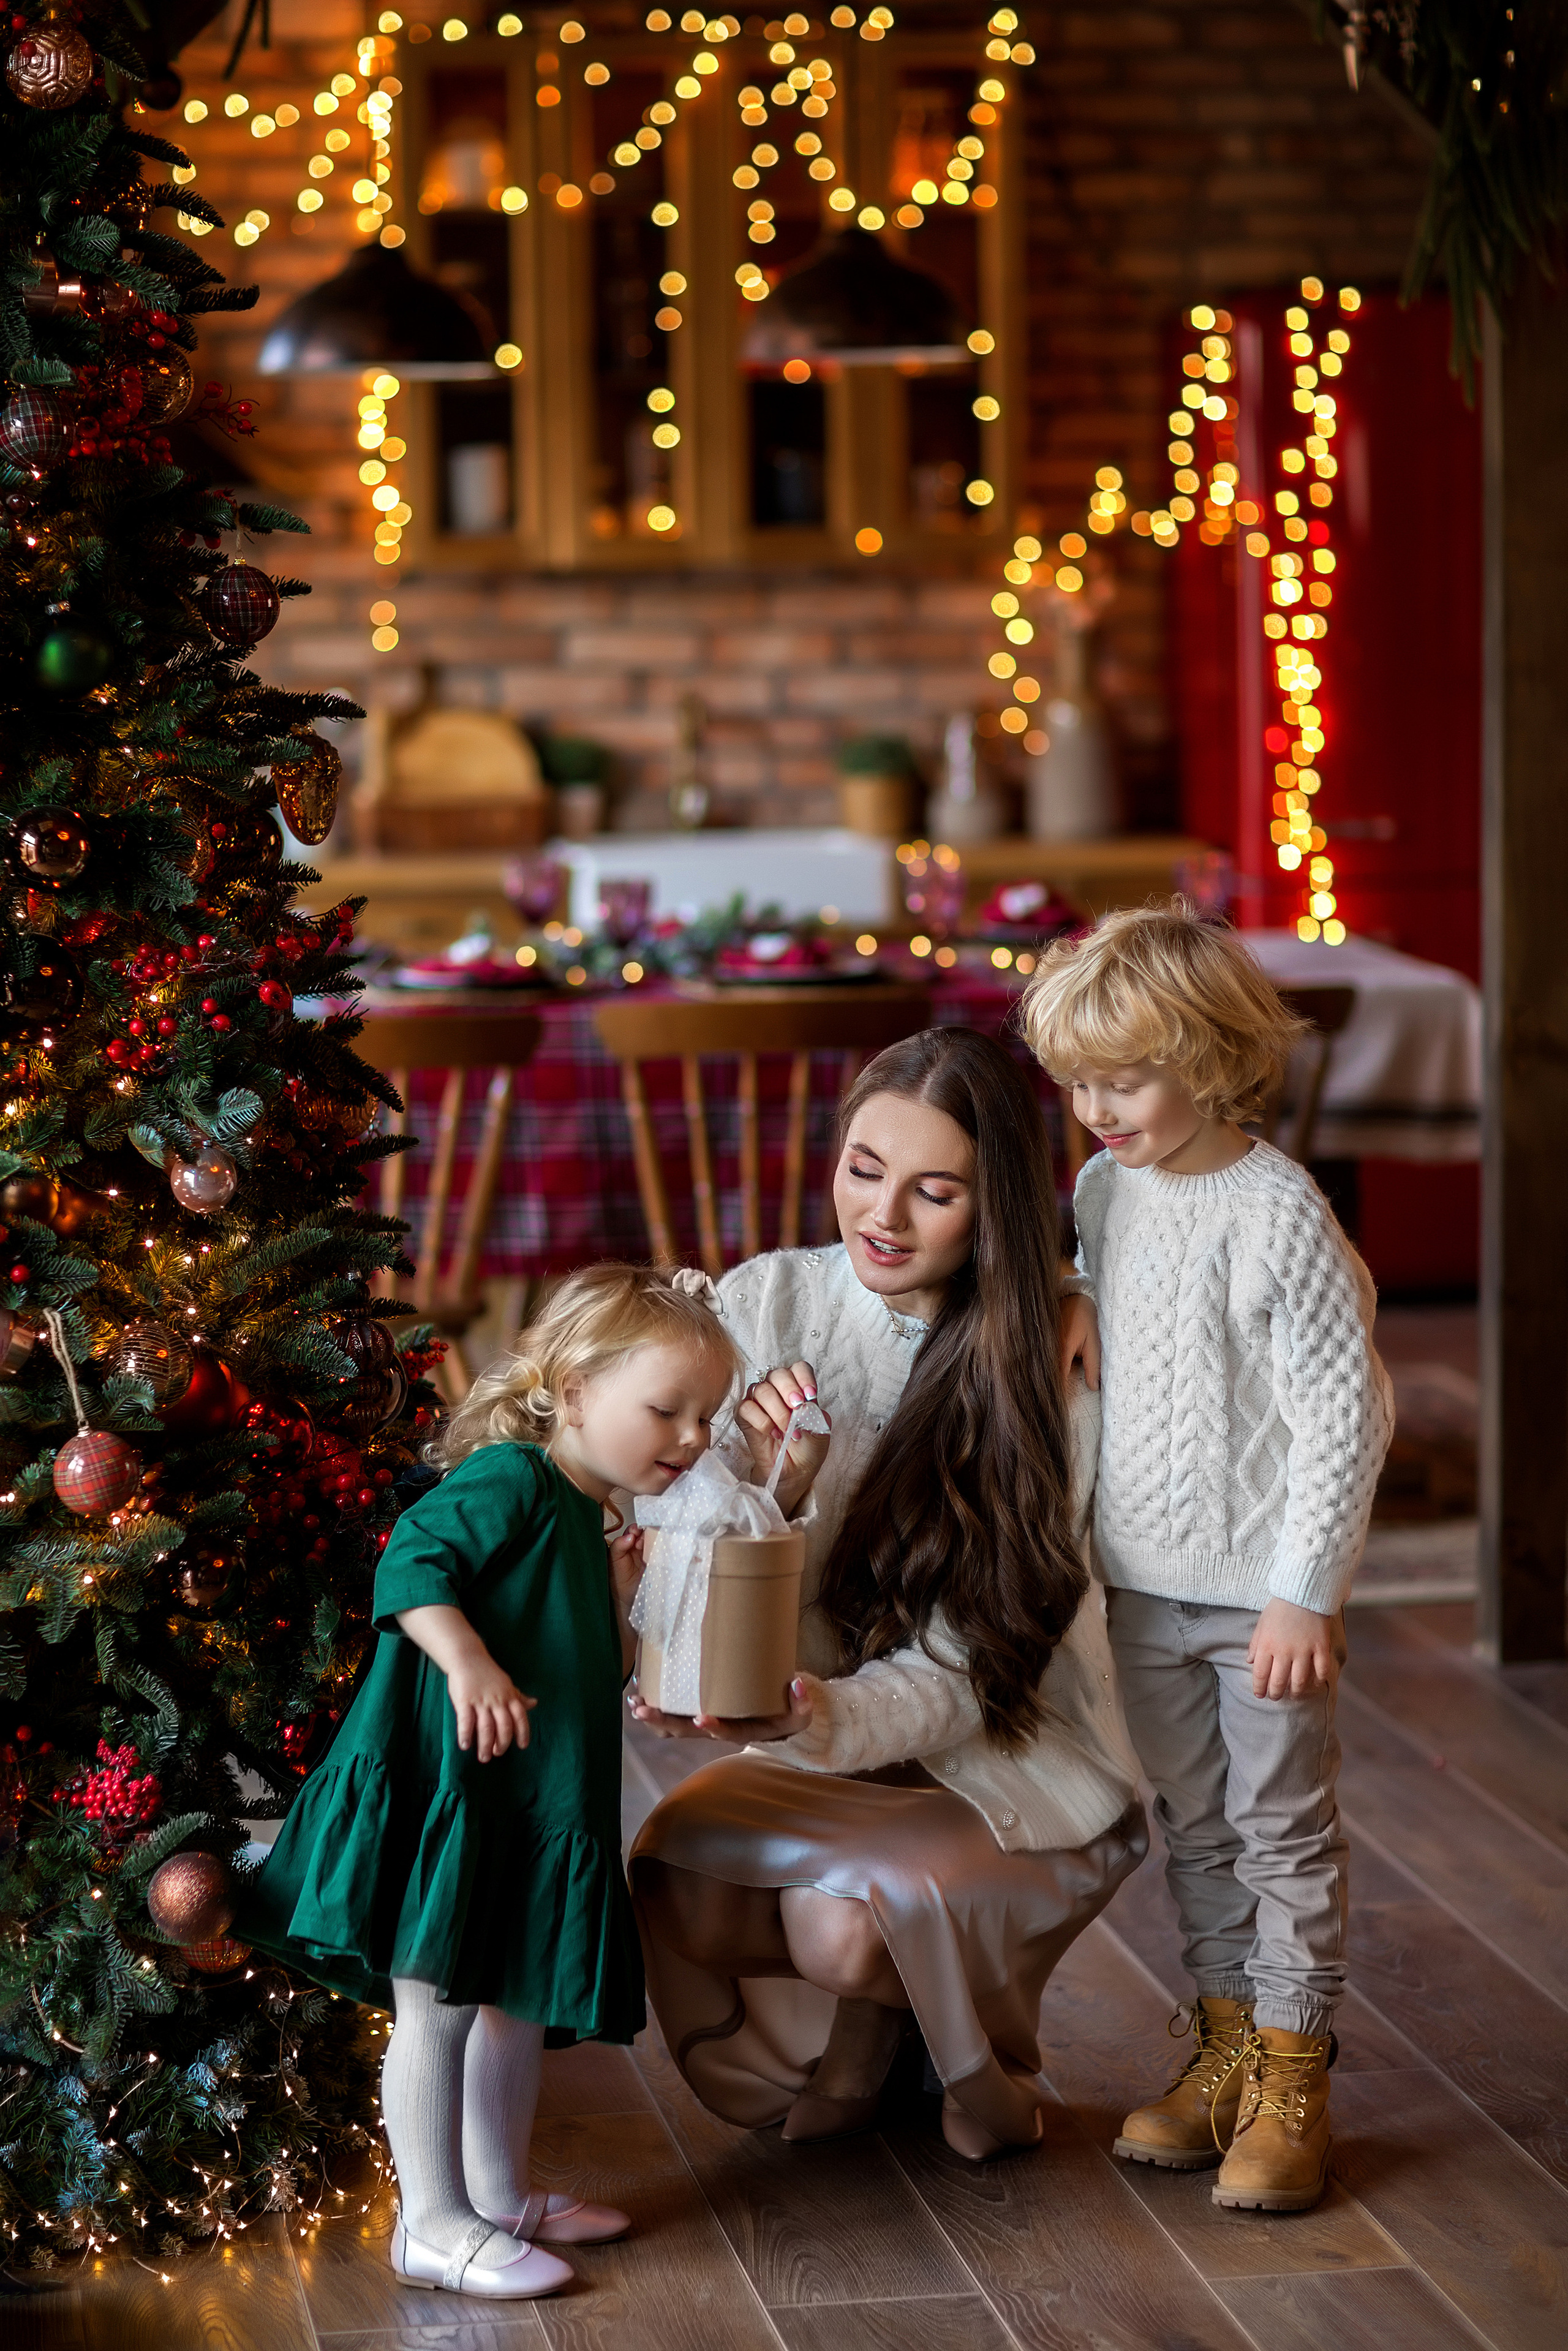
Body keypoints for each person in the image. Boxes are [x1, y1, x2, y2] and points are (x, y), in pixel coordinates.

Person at [629, 1027, 1145, 2160]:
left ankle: (888, 2039)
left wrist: (813, 1719)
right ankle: (882, 2028)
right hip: (832, 1722)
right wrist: (776, 1495)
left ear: (993, 1203)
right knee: (675, 1872)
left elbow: (972, 1672)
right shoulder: (766, 1305)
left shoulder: (1045, 1367)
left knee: (845, 1920)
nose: (886, 1218)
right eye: (864, 1168)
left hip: (1008, 1736)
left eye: (936, 1190)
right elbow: (662, 1525)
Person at [239, 1266, 739, 2300]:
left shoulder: (588, 1519)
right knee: (439, 2007)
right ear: (574, 1387)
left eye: (706, 1415)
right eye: (666, 1409)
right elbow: (411, 1564)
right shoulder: (514, 1475)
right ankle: (430, 2221)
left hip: (537, 1798)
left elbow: (574, 1660)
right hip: (458, 1798)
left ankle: (498, 2192)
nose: (692, 1438)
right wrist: (466, 1661)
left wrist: (621, 1595)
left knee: (513, 1999)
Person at [1020, 903, 1393, 2213]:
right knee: (1193, 1823)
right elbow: (1093, 1282)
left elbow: (1345, 1413)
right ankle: (1226, 2042)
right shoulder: (1101, 1187)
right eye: (1074, 1081)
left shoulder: (1276, 1211)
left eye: (1122, 1076)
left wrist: (1306, 1590)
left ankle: (1294, 2073)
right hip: (1138, 1581)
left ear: (1206, 1046)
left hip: (1257, 1599)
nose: (1094, 1106)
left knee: (1280, 1830)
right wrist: (1069, 1291)